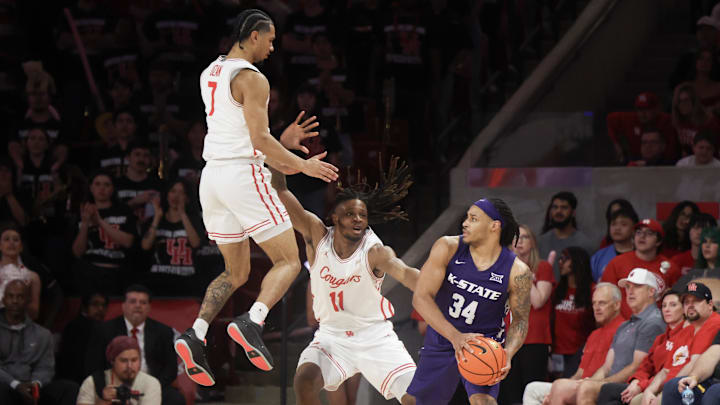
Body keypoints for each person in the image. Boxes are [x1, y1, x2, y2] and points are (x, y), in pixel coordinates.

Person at [174, 9, 339, 387]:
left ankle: (195, 334)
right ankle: (252, 321)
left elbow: (238, 131)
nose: (272, 45)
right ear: (252, 35)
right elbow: (258, 141)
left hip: (211, 178)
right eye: (269, 38)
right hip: (241, 174)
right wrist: (305, 166)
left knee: (236, 272)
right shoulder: (253, 78)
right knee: (288, 260)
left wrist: (282, 148)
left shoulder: (210, 72)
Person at [268, 156, 420, 404]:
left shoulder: (374, 251)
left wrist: (438, 286)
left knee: (416, 397)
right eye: (350, 213)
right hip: (332, 337)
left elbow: (404, 272)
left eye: (362, 214)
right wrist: (275, 152)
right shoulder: (317, 236)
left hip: (374, 337)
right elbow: (280, 191)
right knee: (305, 380)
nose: (358, 219)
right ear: (335, 217)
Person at [407, 198, 532, 404]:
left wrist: (507, 354)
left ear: (494, 226)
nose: (465, 223)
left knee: (483, 401)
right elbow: (421, 298)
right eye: (466, 217)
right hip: (444, 337)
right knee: (415, 401)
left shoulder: (518, 272)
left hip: (484, 343)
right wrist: (455, 337)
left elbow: (520, 320)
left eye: (473, 219)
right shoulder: (447, 247)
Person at [595, 286, 716, 405]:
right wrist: (648, 390)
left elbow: (693, 363)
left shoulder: (713, 324)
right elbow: (663, 370)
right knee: (613, 393)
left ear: (710, 304)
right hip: (670, 385)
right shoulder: (683, 333)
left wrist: (660, 391)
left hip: (696, 384)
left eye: (696, 301)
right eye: (686, 302)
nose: (690, 305)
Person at [570, 268, 666, 405]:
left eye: (637, 286)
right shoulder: (625, 325)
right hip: (614, 384)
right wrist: (592, 381)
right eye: (627, 287)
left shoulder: (653, 322)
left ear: (651, 291)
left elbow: (637, 367)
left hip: (633, 385)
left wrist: (599, 384)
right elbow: (606, 367)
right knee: (561, 387)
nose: (630, 291)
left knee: (586, 388)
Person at [522, 283, 626, 405]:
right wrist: (556, 390)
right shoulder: (594, 334)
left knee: (547, 389)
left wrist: (567, 387)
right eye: (594, 303)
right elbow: (579, 373)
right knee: (534, 388)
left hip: (598, 386)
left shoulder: (624, 330)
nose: (596, 308)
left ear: (617, 305)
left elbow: (611, 370)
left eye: (602, 303)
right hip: (580, 384)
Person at [86, 284, 184, 405]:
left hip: (153, 385)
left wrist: (152, 386)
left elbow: (171, 369)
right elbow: (94, 365)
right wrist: (105, 389)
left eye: (143, 302)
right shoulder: (105, 330)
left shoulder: (163, 332)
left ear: (149, 307)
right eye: (133, 301)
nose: (138, 306)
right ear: (123, 306)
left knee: (175, 398)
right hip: (115, 387)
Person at [498, 225, 555, 405]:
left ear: (533, 243)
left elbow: (538, 301)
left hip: (535, 338)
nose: (519, 242)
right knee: (509, 394)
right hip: (508, 338)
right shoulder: (502, 268)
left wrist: (522, 269)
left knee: (531, 392)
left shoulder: (543, 267)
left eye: (524, 237)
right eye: (515, 238)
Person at [0, 280, 78, 404]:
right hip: (6, 385)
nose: (15, 301)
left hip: (31, 386)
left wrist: (35, 385)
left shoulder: (42, 334)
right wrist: (16, 385)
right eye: (11, 296)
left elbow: (46, 368)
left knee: (69, 388)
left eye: (20, 297)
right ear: (3, 300)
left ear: (28, 301)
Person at [71, 171, 136, 295]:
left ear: (113, 189)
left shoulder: (123, 210)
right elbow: (77, 252)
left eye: (107, 185)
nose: (102, 188)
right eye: (97, 184)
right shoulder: (83, 212)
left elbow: (128, 242)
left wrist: (100, 221)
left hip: (118, 272)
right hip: (89, 271)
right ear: (90, 188)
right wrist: (85, 224)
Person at [601, 219, 680, 318]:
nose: (642, 236)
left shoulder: (671, 268)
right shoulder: (617, 263)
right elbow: (605, 298)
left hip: (657, 326)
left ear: (659, 241)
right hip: (623, 325)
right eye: (638, 232)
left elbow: (677, 302)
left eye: (649, 233)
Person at [140, 179, 204, 296]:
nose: (176, 196)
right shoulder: (154, 220)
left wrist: (183, 214)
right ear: (167, 194)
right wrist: (157, 217)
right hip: (158, 280)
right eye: (173, 191)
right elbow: (145, 245)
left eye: (181, 192)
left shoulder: (194, 221)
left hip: (187, 280)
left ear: (187, 198)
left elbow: (196, 244)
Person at [77, 336, 162, 405]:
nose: (129, 366)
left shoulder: (150, 383)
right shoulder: (92, 382)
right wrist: (103, 402)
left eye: (134, 360)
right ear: (112, 361)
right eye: (123, 360)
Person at [551, 247, 596, 378]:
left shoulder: (593, 290)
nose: (560, 262)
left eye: (565, 259)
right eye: (560, 259)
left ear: (578, 262)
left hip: (581, 353)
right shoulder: (557, 290)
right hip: (556, 352)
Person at [606, 92, 678, 163]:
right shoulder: (631, 118)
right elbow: (610, 118)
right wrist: (616, 144)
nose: (642, 113)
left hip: (664, 162)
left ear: (656, 109)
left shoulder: (667, 121)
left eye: (647, 109)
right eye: (639, 109)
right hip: (637, 161)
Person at [537, 191, 594, 280]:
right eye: (555, 207)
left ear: (573, 213)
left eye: (564, 207)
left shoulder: (584, 244)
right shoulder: (540, 242)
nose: (558, 211)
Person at [56, 291, 108, 384]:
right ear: (84, 307)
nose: (100, 309)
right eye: (95, 304)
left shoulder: (104, 327)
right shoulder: (75, 327)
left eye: (103, 305)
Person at [662, 332, 720, 404]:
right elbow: (713, 354)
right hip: (713, 381)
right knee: (673, 386)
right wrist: (694, 377)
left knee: (714, 393)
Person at [670, 83, 720, 156]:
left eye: (686, 100)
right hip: (685, 163)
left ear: (694, 101)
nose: (682, 104)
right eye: (679, 101)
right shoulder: (676, 122)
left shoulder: (709, 122)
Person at [592, 209, 638, 282]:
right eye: (613, 224)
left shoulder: (642, 255)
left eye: (624, 224)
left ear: (634, 230)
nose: (617, 228)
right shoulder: (598, 257)